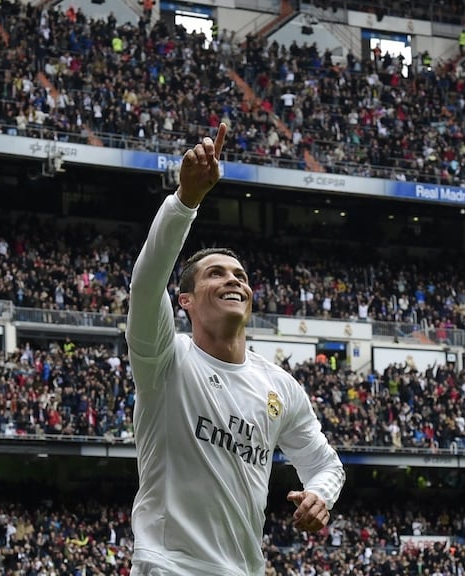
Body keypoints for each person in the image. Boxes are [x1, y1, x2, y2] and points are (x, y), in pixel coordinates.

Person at [126, 123, 346, 576]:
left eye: (240, 276)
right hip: (170, 566)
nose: (233, 280)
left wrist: (320, 494)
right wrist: (186, 201)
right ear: (185, 301)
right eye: (216, 273)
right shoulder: (165, 359)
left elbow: (325, 464)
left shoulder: (280, 387)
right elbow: (146, 285)